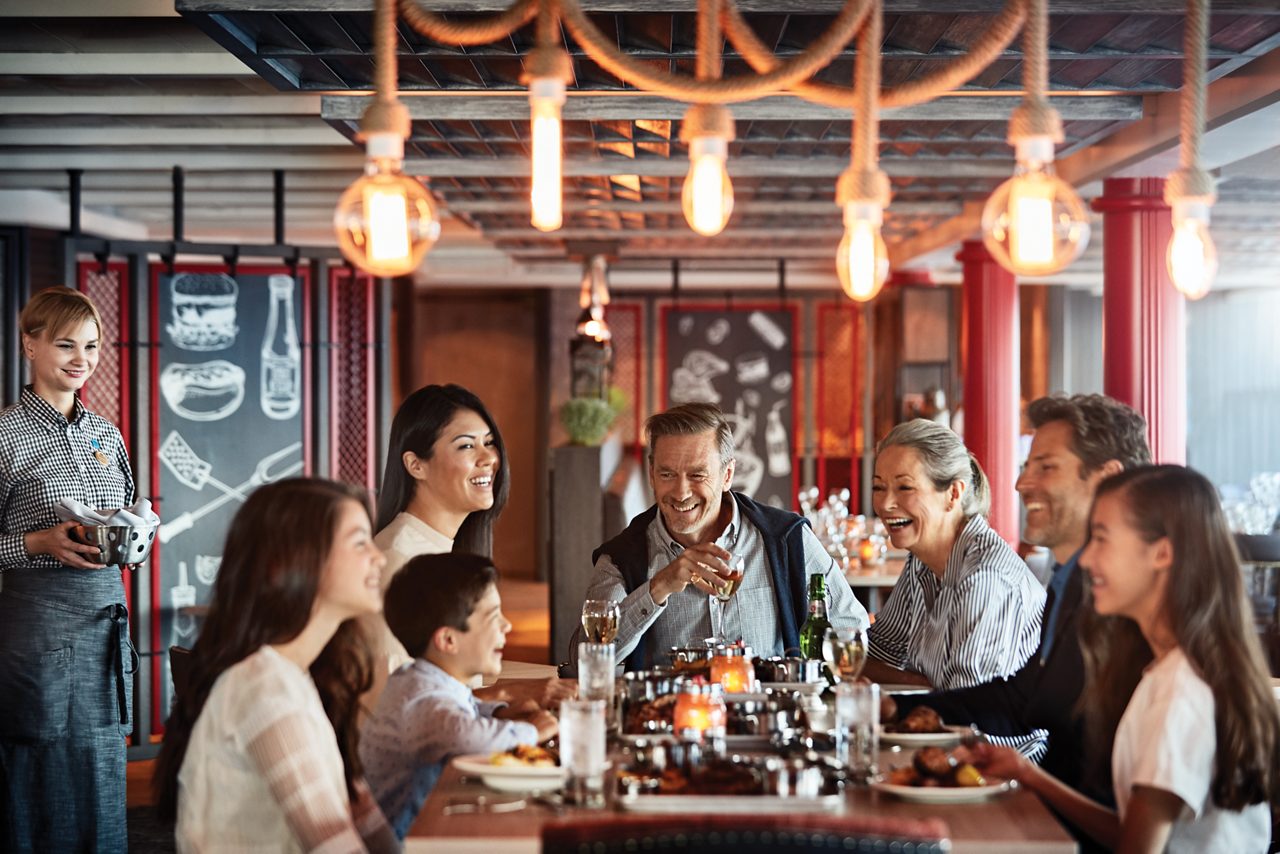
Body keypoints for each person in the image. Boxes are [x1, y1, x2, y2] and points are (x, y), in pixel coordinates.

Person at [968, 465, 1279, 852]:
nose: (1085, 560)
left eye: (1100, 539)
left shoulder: (1180, 692)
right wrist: (1027, 774)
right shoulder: (1171, 668)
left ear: (1162, 553)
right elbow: (1134, 833)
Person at [890, 394, 1152, 809]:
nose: (1020, 482)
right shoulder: (1070, 582)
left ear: (1106, 480)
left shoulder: (1136, 601)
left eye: (1046, 467)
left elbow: (1122, 799)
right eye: (1027, 465)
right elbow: (1019, 699)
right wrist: (892, 706)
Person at [154, 478, 399, 853]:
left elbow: (363, 818)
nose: (379, 557)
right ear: (290, 561)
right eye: (359, 542)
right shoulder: (265, 688)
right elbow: (335, 845)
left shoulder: (298, 675)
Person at [576, 402, 868, 671]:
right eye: (667, 475)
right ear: (651, 474)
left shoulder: (787, 539)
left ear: (727, 475)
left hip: (768, 720)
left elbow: (852, 628)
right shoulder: (621, 558)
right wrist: (658, 587)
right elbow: (583, 662)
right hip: (673, 721)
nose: (681, 492)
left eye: (697, 475)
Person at [0, 288, 137, 852]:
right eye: (64, 345)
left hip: (103, 621)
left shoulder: (106, 434)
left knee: (102, 764)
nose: (81, 359)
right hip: (37, 628)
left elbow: (125, 510)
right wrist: (36, 541)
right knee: (38, 766)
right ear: (29, 344)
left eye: (91, 345)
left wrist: (135, 538)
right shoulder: (6, 434)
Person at [367, 384, 572, 713]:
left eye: (489, 443)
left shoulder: (440, 549)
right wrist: (507, 695)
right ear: (416, 465)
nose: (489, 458)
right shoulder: (399, 561)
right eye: (466, 446)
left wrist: (554, 683)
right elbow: (397, 705)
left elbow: (455, 682)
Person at [360, 553, 556, 838]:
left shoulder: (427, 682)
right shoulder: (420, 697)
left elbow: (465, 706)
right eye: (493, 617)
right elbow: (466, 735)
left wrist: (498, 712)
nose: (507, 625)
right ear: (448, 640)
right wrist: (531, 731)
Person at [862, 419, 1045, 692]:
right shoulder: (920, 561)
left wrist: (928, 690)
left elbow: (970, 709)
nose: (886, 504)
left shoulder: (985, 578)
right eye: (879, 487)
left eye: (905, 487)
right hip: (943, 725)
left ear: (953, 494)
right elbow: (879, 653)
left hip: (983, 734)